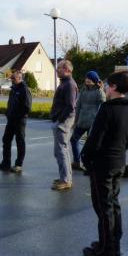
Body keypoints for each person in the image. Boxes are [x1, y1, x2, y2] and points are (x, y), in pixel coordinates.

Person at [81, 71, 128, 256]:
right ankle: (113, 243)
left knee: (103, 207)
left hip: (103, 164)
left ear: (112, 87)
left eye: (107, 84)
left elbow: (95, 139)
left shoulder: (107, 109)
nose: (104, 87)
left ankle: (106, 249)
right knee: (113, 204)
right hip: (119, 161)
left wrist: (86, 159)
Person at [0, 69, 32, 173]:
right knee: (6, 140)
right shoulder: (14, 89)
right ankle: (6, 162)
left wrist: (18, 116)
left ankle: (18, 164)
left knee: (20, 142)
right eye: (11, 78)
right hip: (11, 119)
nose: (11, 79)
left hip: (20, 120)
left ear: (20, 78)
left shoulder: (24, 90)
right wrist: (8, 113)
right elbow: (10, 103)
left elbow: (27, 107)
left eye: (13, 78)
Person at [50, 60, 78, 191]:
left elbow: (71, 107)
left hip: (63, 123)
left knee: (61, 151)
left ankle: (66, 180)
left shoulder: (69, 85)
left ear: (67, 69)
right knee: (61, 151)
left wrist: (60, 120)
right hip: (61, 122)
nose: (57, 70)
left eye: (59, 68)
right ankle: (65, 177)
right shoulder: (65, 83)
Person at [70, 70, 106, 172]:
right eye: (86, 78)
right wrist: (75, 121)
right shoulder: (84, 90)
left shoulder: (98, 91)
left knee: (90, 144)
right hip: (82, 121)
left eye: (90, 79)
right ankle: (76, 162)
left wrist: (101, 89)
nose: (87, 80)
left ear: (95, 80)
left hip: (93, 122)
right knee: (73, 140)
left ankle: (89, 164)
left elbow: (104, 103)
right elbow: (78, 106)